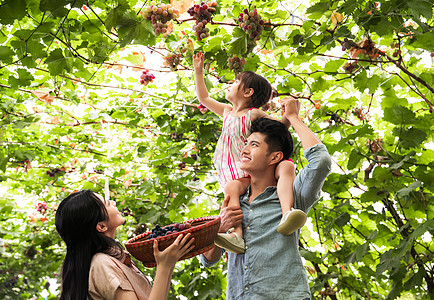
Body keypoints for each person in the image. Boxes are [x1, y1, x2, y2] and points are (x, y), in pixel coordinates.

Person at [200, 98, 332, 299]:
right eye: (246, 143)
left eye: (253, 145)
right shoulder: (234, 197)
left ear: (274, 157)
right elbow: (208, 260)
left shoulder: (293, 196)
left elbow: (320, 161)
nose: (244, 150)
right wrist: (218, 229)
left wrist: (293, 118)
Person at [193, 52, 307, 254]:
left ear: (248, 92)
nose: (231, 82)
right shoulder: (227, 112)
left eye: (236, 81)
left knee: (236, 187)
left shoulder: (252, 114)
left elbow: (278, 130)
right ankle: (237, 235)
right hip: (232, 170)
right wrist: (198, 72)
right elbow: (204, 97)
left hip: (248, 170)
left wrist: (289, 116)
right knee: (232, 189)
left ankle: (286, 213)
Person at [55, 189, 195, 300]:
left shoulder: (115, 259)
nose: (114, 203)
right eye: (107, 203)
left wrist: (168, 263)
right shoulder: (102, 264)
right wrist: (164, 267)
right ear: (101, 226)